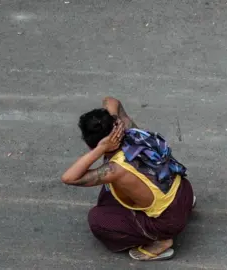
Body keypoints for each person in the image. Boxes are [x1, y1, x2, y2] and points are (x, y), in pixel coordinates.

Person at [61, 96, 195, 261]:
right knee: (109, 193)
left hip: (170, 221)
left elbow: (69, 178)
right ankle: (183, 208)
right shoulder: (130, 130)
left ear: (92, 145)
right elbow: (111, 101)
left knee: (97, 219)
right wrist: (115, 120)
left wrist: (100, 149)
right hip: (185, 192)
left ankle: (161, 241)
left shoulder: (115, 169)